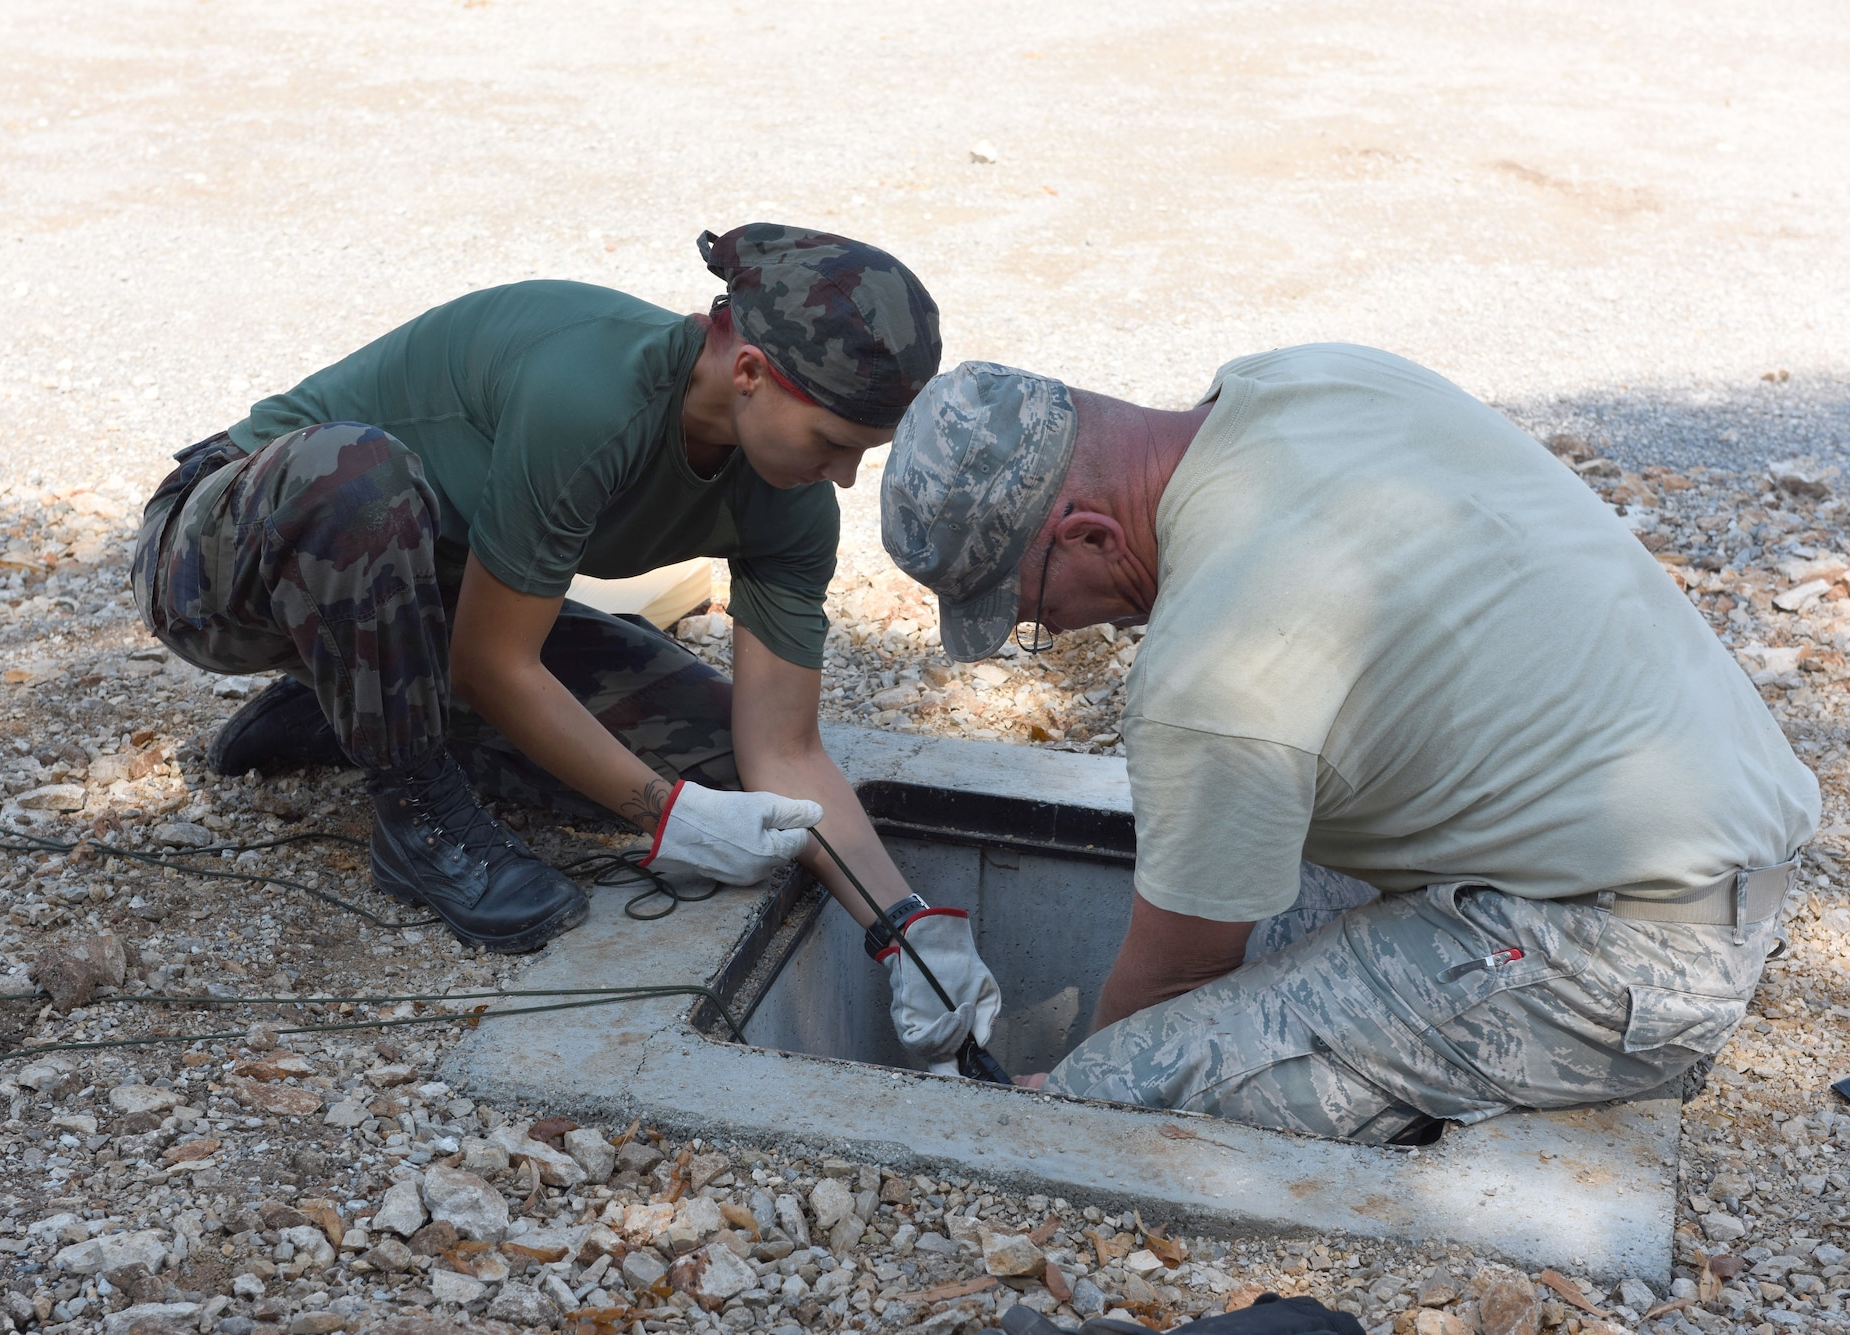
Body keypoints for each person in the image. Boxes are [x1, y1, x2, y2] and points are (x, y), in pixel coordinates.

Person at [879, 346, 1817, 1141]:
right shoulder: (1308, 380)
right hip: (1706, 839)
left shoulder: (1213, 665)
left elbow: (1180, 971)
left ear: (1085, 533)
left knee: (1114, 1100)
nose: (1060, 631)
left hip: (1622, 957)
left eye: (1036, 613)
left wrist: (1087, 1084)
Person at [130, 224, 1001, 1074]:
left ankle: (362, 705)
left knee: (728, 774)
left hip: (429, 602)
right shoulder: (589, 395)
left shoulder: (791, 505)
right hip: (228, 553)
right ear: (749, 372)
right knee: (356, 472)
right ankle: (415, 811)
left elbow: (785, 748)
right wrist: (664, 815)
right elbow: (494, 664)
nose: (845, 477)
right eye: (835, 444)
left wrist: (903, 924)